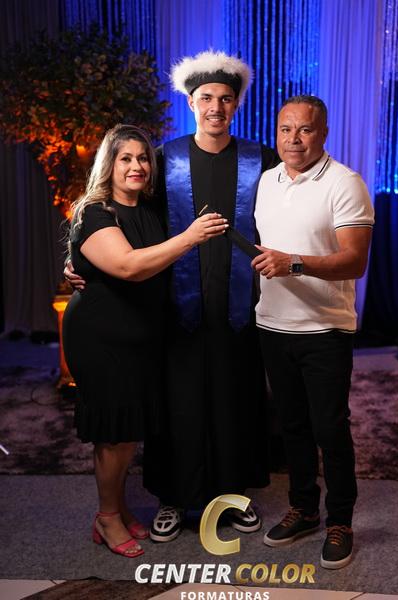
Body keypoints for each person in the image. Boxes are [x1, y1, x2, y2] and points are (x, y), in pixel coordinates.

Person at [62, 124, 227, 558]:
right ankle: (107, 516)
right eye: (125, 159)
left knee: (128, 430)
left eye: (142, 158)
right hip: (102, 337)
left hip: (140, 336)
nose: (136, 166)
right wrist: (190, 237)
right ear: (109, 165)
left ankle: (116, 508)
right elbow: (129, 266)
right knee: (113, 434)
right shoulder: (95, 212)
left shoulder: (149, 209)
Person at [142, 51, 278, 542]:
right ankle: (172, 497)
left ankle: (234, 495)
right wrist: (86, 263)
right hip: (177, 307)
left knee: (235, 401)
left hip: (240, 305)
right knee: (177, 403)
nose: (215, 107)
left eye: (225, 99)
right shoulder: (165, 159)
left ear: (236, 104)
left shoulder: (261, 159)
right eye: (206, 98)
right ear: (191, 102)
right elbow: (134, 220)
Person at [251, 95, 374, 569]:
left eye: (304, 130)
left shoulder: (345, 182)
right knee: (292, 426)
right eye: (286, 129)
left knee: (330, 428)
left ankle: (340, 521)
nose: (294, 139)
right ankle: (303, 509)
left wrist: (295, 263)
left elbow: (355, 261)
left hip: (324, 328)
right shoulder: (267, 181)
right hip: (272, 324)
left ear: (323, 133)